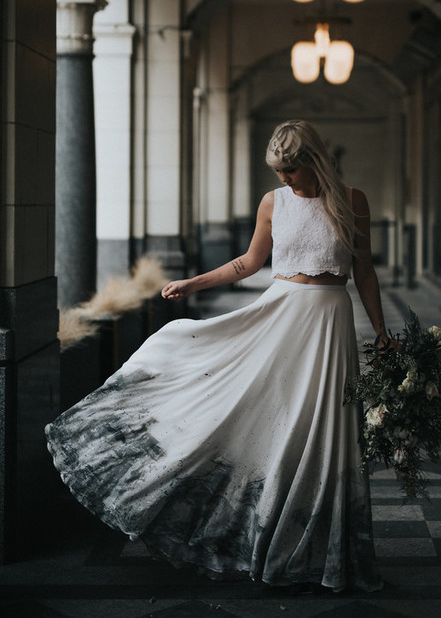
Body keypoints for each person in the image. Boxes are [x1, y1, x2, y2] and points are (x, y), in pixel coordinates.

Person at [46, 119, 391, 593]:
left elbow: (366, 272)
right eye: (278, 170)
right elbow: (249, 263)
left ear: (311, 160)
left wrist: (382, 331)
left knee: (325, 430)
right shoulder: (274, 203)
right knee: (267, 421)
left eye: (290, 169)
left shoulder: (353, 201)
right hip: (280, 315)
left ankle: (322, 551)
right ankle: (256, 535)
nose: (283, 178)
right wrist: (193, 283)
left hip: (331, 323)